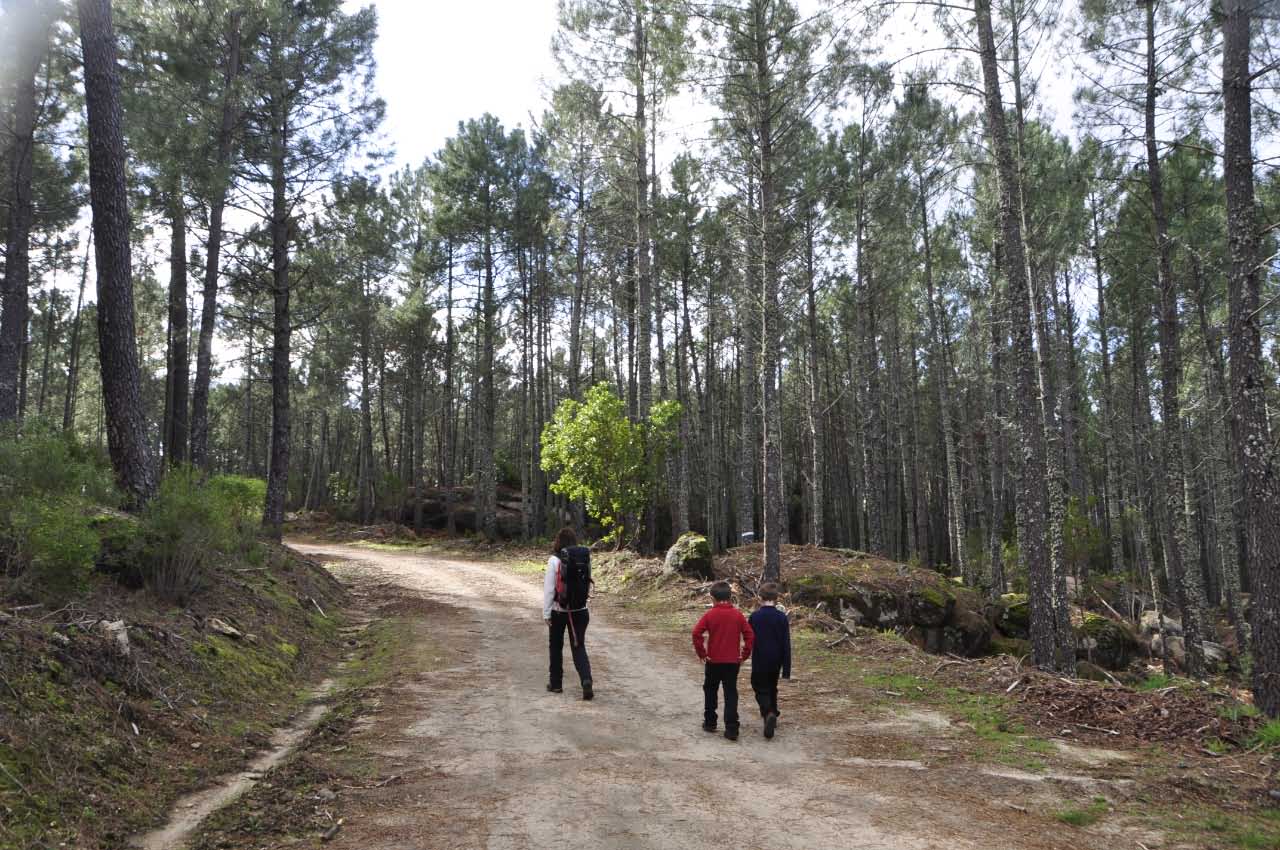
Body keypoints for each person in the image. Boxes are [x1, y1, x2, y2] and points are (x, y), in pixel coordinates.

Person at [692, 581, 754, 741]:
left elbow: (696, 633)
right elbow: (750, 635)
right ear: (731, 597)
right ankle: (732, 728)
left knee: (710, 689)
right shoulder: (738, 615)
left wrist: (702, 653)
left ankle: (710, 722)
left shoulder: (710, 615)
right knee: (730, 693)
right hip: (732, 662)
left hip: (713, 660)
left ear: (712, 598)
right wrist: (744, 655)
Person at [543, 527, 594, 700]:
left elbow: (549, 590)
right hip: (580, 609)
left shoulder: (554, 560)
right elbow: (586, 582)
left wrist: (546, 613)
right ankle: (586, 680)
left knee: (556, 647)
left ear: (558, 541)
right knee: (578, 646)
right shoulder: (584, 557)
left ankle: (556, 684)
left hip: (559, 610)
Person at [747, 581, 792, 739]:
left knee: (759, 686)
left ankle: (769, 712)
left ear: (760, 598)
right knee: (772, 686)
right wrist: (786, 670)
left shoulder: (755, 617)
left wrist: (745, 653)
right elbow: (786, 643)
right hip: (777, 659)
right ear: (777, 599)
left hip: (760, 657)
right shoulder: (781, 618)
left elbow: (749, 639)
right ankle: (771, 715)